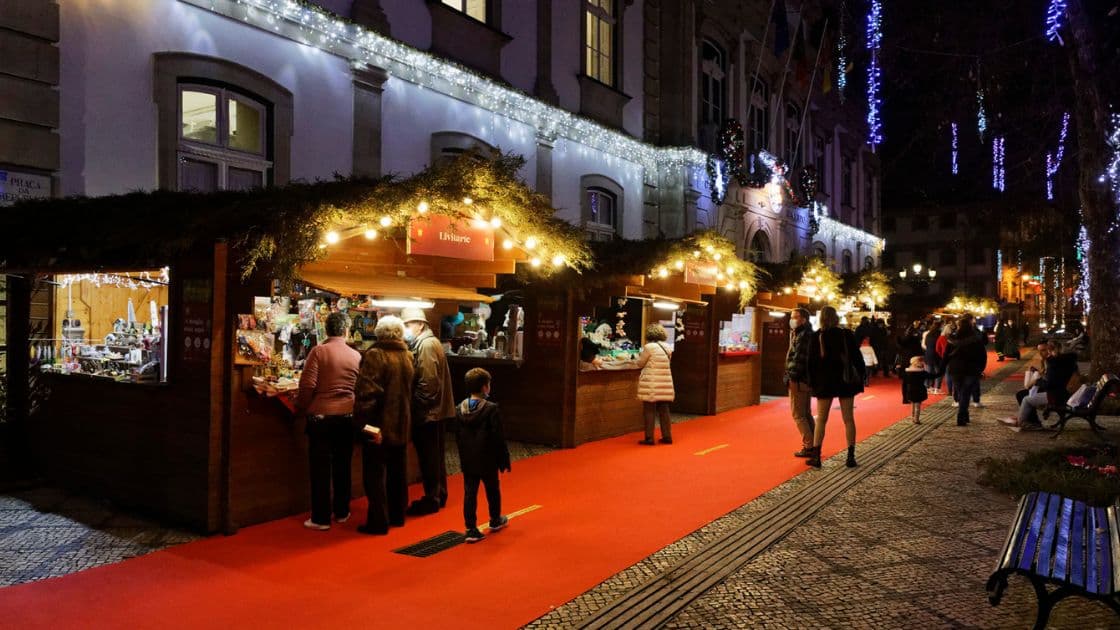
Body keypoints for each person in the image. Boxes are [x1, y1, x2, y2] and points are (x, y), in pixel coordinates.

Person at [296, 311, 362, 531]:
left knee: (320, 467)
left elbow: (307, 386)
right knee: (343, 464)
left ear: (327, 329)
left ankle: (321, 517)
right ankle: (342, 511)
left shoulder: (319, 352)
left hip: (321, 417)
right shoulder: (356, 355)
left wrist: (302, 407)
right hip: (347, 416)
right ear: (346, 330)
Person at [353, 315, 414, 535]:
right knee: (398, 472)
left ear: (379, 333)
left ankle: (378, 520)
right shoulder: (407, 355)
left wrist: (364, 424)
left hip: (378, 426)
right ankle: (398, 515)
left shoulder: (376, 355)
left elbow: (367, 393)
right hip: (402, 423)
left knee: (375, 475)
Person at [401, 306, 456, 516]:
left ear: (420, 324)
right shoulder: (428, 343)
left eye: (408, 324)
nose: (406, 329)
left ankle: (432, 497)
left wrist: (415, 409)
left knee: (430, 458)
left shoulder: (425, 346)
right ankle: (438, 494)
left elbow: (428, 384)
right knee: (435, 457)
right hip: (435, 411)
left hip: (430, 413)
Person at [805, 306, 866, 469]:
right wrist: (861, 376)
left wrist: (811, 382)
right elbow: (857, 358)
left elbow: (810, 362)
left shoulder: (817, 336)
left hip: (824, 382)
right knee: (848, 419)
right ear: (836, 318)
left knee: (821, 420)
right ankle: (850, 456)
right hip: (845, 381)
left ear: (822, 319)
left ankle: (816, 456)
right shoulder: (846, 335)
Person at [455, 368, 511, 544]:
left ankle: (471, 528)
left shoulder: (459, 409)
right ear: (485, 387)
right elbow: (498, 437)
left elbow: (457, 436)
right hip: (487, 458)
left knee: (469, 492)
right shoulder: (491, 409)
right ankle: (495, 518)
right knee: (492, 489)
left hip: (468, 458)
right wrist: (504, 459)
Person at [1000, 343, 1078, 431]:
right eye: (1039, 351)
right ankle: (1030, 421)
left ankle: (1019, 423)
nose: (1042, 353)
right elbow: (1053, 380)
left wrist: (1036, 381)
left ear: (1053, 351)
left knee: (1026, 399)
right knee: (1022, 394)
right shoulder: (1064, 361)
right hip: (1058, 392)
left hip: (1056, 394)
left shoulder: (1055, 363)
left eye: (1045, 350)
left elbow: (1050, 383)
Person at [635, 324, 675, 445]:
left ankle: (649, 438)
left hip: (651, 383)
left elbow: (640, 363)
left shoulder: (649, 347)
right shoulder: (668, 347)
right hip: (665, 382)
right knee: (664, 409)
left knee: (649, 410)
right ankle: (667, 436)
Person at [944, 317, 986, 426]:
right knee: (965, 393)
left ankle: (963, 414)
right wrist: (980, 369)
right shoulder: (976, 340)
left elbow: (945, 356)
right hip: (971, 370)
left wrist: (942, 368)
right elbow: (982, 356)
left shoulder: (952, 339)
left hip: (956, 369)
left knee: (961, 392)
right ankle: (962, 415)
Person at [784, 308, 814, 458]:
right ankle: (814, 443)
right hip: (806, 379)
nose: (792, 320)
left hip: (799, 380)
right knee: (806, 413)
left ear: (803, 319)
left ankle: (809, 446)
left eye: (795, 317)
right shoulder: (805, 333)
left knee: (798, 414)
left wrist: (790, 377)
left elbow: (798, 360)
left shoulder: (803, 335)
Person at [902, 356, 929, 424]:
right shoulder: (922, 372)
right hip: (919, 391)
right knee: (917, 406)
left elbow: (904, 385)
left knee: (913, 405)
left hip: (910, 391)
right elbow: (933, 375)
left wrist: (904, 396)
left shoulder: (907, 372)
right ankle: (916, 419)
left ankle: (913, 417)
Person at [923, 321, 943, 394]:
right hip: (937, 355)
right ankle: (937, 388)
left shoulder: (928, 334)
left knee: (928, 372)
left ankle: (927, 387)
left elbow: (925, 344)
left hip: (928, 354)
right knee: (938, 373)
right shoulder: (940, 334)